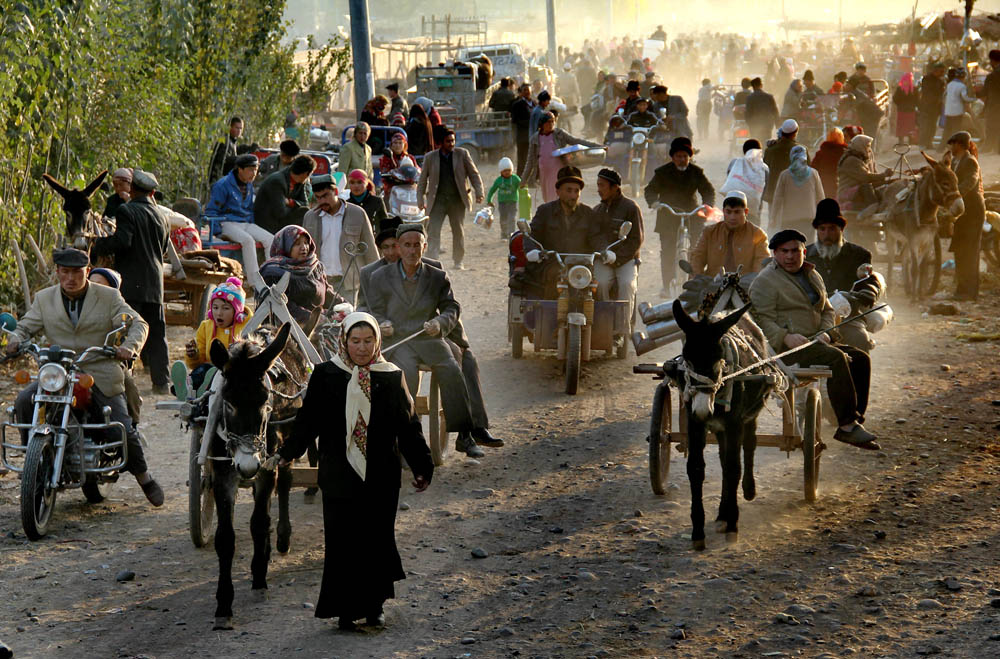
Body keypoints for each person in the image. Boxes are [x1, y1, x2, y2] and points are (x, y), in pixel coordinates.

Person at [277, 312, 433, 630]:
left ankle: (374, 607)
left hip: (381, 474)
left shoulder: (390, 376)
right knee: (342, 540)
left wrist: (422, 466)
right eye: (355, 341)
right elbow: (308, 423)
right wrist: (285, 453)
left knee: (376, 538)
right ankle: (344, 610)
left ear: (377, 342)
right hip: (338, 472)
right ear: (344, 341)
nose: (361, 348)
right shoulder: (325, 375)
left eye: (368, 341)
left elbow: (408, 425)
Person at [6, 248, 163, 505]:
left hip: (98, 369)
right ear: (57, 272)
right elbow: (25, 326)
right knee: (24, 400)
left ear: (87, 272)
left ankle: (144, 477)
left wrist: (129, 348)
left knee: (120, 427)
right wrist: (15, 340)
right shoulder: (44, 299)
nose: (70, 278)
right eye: (65, 272)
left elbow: (138, 323)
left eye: (76, 272)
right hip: (59, 371)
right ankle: (34, 461)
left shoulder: (109, 296)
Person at [357, 218, 501, 454]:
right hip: (398, 341)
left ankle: (466, 434)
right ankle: (404, 439)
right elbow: (370, 308)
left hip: (430, 337)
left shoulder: (435, 273)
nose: (408, 250)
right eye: (402, 246)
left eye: (416, 245)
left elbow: (451, 306)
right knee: (406, 375)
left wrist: (441, 324)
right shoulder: (376, 275)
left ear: (425, 247)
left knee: (455, 366)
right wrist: (379, 324)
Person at [749, 229, 878, 450]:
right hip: (784, 350)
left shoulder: (811, 274)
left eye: (795, 251)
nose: (790, 256)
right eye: (784, 251)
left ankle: (852, 419)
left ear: (804, 252)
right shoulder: (765, 281)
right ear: (774, 253)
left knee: (860, 358)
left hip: (815, 342)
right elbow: (761, 320)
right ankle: (847, 426)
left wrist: (826, 332)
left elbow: (827, 309)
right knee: (837, 358)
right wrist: (785, 337)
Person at [91, 168, 170, 394]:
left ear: (132, 189)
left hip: (131, 282)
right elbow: (163, 248)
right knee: (157, 333)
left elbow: (123, 241)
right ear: (153, 193)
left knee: (126, 330)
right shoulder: (162, 216)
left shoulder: (127, 210)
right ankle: (161, 383)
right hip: (155, 283)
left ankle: (125, 382)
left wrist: (99, 245)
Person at [644, 137, 716, 296]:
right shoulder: (662, 172)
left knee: (697, 249)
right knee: (668, 251)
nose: (682, 159)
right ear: (672, 157)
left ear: (689, 157)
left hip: (692, 214)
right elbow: (649, 190)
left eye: (685, 156)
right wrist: (654, 203)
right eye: (678, 156)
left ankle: (695, 281)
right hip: (669, 214)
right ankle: (666, 285)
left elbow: (708, 191)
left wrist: (707, 205)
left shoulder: (696, 172)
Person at [804, 199, 875, 351]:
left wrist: (868, 292)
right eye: (822, 229)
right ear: (816, 230)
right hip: (813, 318)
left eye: (832, 229)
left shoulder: (859, 255)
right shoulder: (804, 257)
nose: (827, 235)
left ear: (841, 229)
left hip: (848, 318)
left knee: (860, 340)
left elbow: (868, 281)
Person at [524, 166, 602, 298]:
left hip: (582, 264)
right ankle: (550, 315)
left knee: (596, 285)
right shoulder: (544, 211)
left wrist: (605, 251)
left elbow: (597, 237)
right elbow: (532, 235)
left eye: (576, 191)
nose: (573, 195)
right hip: (552, 263)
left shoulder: (588, 213)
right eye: (569, 190)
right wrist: (532, 251)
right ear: (558, 191)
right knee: (556, 277)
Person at [170, 277, 253, 400]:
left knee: (217, 374)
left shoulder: (248, 326)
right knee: (203, 369)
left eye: (225, 308)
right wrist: (194, 355)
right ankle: (187, 387)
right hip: (211, 369)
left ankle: (202, 389)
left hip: (236, 372)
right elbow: (199, 361)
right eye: (215, 307)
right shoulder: (206, 327)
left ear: (236, 311)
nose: (219, 313)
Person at [302, 175, 378, 305]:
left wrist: (376, 281)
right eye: (318, 197)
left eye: (325, 196)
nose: (322, 201)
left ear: (336, 192)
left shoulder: (357, 214)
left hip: (348, 282)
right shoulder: (310, 217)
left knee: (347, 320)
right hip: (319, 282)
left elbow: (370, 250)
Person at [416, 130, 484, 269]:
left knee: (458, 230)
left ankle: (458, 261)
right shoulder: (430, 157)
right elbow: (422, 180)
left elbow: (474, 174)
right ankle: (432, 261)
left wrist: (479, 192)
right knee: (433, 230)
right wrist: (420, 198)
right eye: (448, 141)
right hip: (437, 200)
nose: (451, 144)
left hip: (457, 200)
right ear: (440, 143)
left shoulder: (462, 154)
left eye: (453, 140)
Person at [205, 153, 272, 283]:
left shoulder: (248, 184)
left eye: (255, 169)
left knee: (270, 239)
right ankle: (255, 281)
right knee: (248, 241)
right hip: (226, 222)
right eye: (250, 169)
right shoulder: (223, 184)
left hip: (244, 223)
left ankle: (271, 276)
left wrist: (252, 224)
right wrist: (218, 232)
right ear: (240, 169)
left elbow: (249, 209)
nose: (254, 173)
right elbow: (211, 210)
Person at [260, 225, 344, 324]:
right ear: (285, 246)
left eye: (305, 243)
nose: (304, 247)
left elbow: (327, 293)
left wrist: (344, 306)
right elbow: (281, 305)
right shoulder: (273, 272)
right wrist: (311, 318)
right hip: (289, 328)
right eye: (297, 244)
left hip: (320, 322)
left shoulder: (314, 266)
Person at [521, 111, 603, 204]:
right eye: (548, 122)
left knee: (556, 195)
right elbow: (530, 161)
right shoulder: (535, 138)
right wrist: (523, 180)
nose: (551, 124)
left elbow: (576, 141)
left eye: (553, 121)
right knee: (546, 197)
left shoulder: (559, 134)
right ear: (542, 124)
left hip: (557, 171)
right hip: (544, 174)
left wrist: (597, 146)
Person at [593, 168, 642, 317]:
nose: (598, 190)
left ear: (615, 187)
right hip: (604, 259)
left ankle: (622, 330)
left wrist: (617, 257)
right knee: (599, 284)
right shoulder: (597, 210)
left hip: (626, 259)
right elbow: (593, 235)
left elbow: (636, 240)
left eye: (602, 185)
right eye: (598, 185)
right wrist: (604, 251)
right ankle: (605, 321)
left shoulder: (631, 208)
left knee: (627, 285)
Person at [689, 190, 768, 277]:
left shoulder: (758, 234)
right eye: (729, 212)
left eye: (737, 212)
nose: (732, 217)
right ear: (723, 211)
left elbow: (762, 263)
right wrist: (698, 278)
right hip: (713, 286)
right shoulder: (710, 232)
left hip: (744, 286)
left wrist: (753, 283)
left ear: (746, 212)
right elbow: (697, 258)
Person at [946, 131, 985, 301]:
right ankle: (961, 290)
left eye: (953, 144)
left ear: (960, 145)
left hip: (973, 211)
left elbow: (970, 182)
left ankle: (969, 292)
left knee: (970, 251)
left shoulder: (970, 162)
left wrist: (953, 196)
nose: (951, 147)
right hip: (961, 210)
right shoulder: (955, 161)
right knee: (960, 250)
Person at [769, 145, 825, 237]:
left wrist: (773, 218)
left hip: (789, 219)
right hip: (809, 218)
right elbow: (821, 197)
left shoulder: (785, 175)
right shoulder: (814, 173)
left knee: (790, 246)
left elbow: (777, 199)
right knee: (808, 246)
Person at [254, 154, 315, 234]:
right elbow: (280, 212)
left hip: (281, 219)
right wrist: (294, 206)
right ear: (306, 173)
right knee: (303, 215)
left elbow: (305, 204)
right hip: (267, 221)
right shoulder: (277, 181)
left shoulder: (300, 182)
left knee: (306, 212)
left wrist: (290, 202)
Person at [837, 134, 891, 213]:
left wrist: (887, 181)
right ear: (860, 146)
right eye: (867, 146)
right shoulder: (851, 160)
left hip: (857, 191)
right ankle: (870, 209)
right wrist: (884, 175)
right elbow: (865, 177)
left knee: (883, 188)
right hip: (846, 192)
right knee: (866, 187)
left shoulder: (860, 159)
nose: (869, 149)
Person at [721, 139, 769, 224]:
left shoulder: (735, 162)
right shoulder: (764, 168)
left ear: (744, 151)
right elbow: (765, 188)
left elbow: (729, 179)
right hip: (754, 209)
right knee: (753, 232)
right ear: (759, 151)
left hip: (733, 207)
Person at [762, 118, 799, 206]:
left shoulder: (770, 150)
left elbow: (764, 170)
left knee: (772, 217)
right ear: (795, 133)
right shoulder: (800, 150)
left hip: (773, 192)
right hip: (792, 193)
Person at [487, 156, 521, 239]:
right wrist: (489, 200)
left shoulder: (515, 179)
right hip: (502, 203)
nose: (507, 172)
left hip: (513, 202)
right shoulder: (498, 180)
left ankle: (511, 234)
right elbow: (492, 190)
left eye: (509, 170)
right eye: (504, 171)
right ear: (501, 171)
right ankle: (504, 234)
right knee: (503, 219)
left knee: (512, 218)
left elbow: (522, 187)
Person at [811, 128, 848, 198]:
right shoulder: (846, 153)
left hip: (823, 186)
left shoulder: (821, 153)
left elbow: (813, 170)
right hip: (841, 186)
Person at [917, 62, 947, 149]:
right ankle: (922, 143)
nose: (942, 74)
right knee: (925, 126)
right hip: (926, 107)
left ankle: (929, 143)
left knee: (932, 126)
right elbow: (927, 93)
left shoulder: (940, 81)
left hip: (935, 108)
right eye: (941, 71)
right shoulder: (926, 79)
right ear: (936, 71)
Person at [209, 116, 243, 184]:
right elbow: (224, 160)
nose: (239, 131)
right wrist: (240, 159)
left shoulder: (232, 141)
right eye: (236, 128)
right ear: (230, 127)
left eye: (241, 128)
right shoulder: (225, 141)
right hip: (219, 179)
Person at [510, 84, 535, 175]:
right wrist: (530, 123)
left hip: (533, 136)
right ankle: (520, 179)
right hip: (522, 136)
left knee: (533, 158)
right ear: (521, 92)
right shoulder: (517, 105)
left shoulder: (534, 103)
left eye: (528, 90)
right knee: (522, 159)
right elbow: (515, 120)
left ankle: (532, 179)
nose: (527, 92)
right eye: (525, 90)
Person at [745, 77, 779, 143]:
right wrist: (777, 124)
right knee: (766, 143)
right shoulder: (769, 97)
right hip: (767, 126)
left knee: (756, 144)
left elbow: (748, 113)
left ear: (753, 87)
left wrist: (749, 124)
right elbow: (775, 111)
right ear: (761, 85)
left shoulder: (750, 98)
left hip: (754, 126)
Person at [943, 68, 974, 140]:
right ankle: (955, 146)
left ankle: (941, 148)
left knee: (947, 130)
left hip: (948, 111)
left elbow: (944, 96)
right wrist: (973, 100)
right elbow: (965, 98)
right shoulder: (962, 86)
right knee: (956, 130)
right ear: (964, 77)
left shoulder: (949, 84)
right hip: (957, 111)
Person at [980, 50, 1000, 153]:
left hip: (994, 106)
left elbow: (984, 92)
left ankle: (988, 148)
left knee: (992, 127)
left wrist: (977, 91)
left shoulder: (992, 76)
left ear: (992, 61)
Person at [892, 73, 919, 143]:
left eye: (907, 80)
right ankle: (903, 140)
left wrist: (900, 104)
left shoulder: (913, 89)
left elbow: (917, 99)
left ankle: (908, 140)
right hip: (905, 110)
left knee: (908, 126)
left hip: (907, 110)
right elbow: (895, 98)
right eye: (905, 80)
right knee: (905, 126)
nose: (905, 82)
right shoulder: (901, 89)